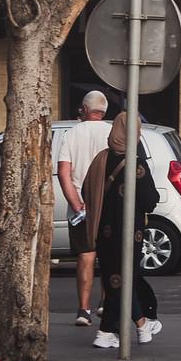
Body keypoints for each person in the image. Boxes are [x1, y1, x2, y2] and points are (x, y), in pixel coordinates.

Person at [82, 108, 162, 351]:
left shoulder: (101, 159)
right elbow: (150, 200)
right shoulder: (136, 165)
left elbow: (87, 190)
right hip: (130, 233)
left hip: (103, 231)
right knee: (124, 279)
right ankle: (139, 323)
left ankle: (108, 332)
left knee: (113, 279)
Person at [56, 90, 115, 324]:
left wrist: (76, 203)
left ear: (84, 108)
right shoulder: (113, 133)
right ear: (103, 111)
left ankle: (83, 310)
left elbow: (63, 173)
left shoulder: (72, 133)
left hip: (81, 208)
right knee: (109, 256)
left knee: (86, 256)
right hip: (108, 205)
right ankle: (104, 303)